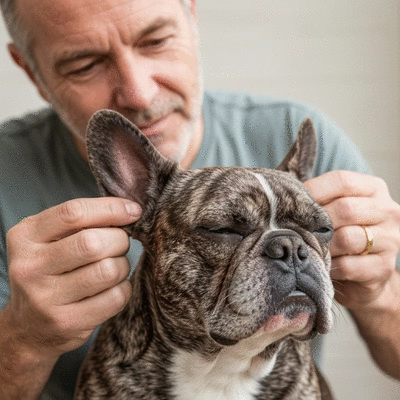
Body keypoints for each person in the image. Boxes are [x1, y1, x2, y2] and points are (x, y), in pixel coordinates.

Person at [0, 0, 399, 398]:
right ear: (30, 69)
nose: (139, 92)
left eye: (155, 40)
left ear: (192, 16)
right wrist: (23, 337)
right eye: (85, 64)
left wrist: (379, 294)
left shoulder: (297, 134)